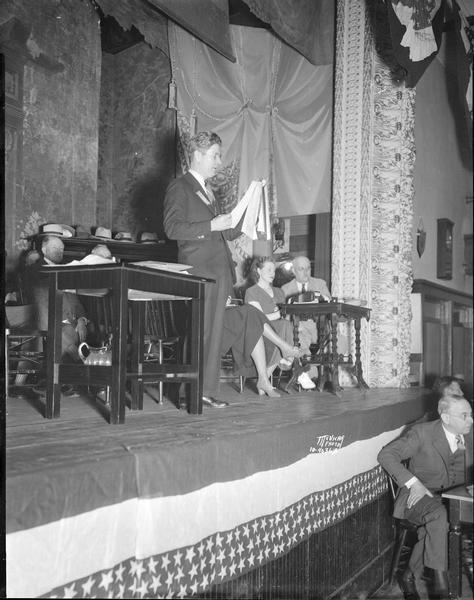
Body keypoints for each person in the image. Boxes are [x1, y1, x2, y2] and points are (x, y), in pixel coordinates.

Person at [164, 132, 300, 406]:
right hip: (199, 272)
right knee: (202, 332)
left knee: (212, 334)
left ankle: (204, 391)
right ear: (198, 155)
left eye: (219, 155)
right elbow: (172, 228)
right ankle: (189, 392)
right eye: (214, 155)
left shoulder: (207, 192)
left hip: (218, 273)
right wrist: (211, 226)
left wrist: (250, 204)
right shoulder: (181, 187)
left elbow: (225, 232)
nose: (218, 161)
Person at [378, 394, 473, 600]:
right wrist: (414, 483)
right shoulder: (422, 433)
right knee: (441, 516)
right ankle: (441, 591)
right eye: (464, 416)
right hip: (418, 497)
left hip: (457, 499)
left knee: (440, 521)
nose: (471, 420)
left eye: (471, 414)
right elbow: (386, 455)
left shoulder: (470, 434)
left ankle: (409, 575)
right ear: (446, 417)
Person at [24, 235, 90, 395]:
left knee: (72, 331)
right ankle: (84, 370)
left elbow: (76, 299)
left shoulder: (67, 269)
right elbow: (40, 299)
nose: (60, 252)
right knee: (63, 332)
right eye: (55, 248)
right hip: (48, 319)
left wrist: (81, 319)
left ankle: (57, 381)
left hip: (73, 323)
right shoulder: (36, 270)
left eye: (61, 249)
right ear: (44, 250)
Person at [244, 256, 312, 389]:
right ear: (258, 271)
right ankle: (295, 367)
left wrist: (296, 325)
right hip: (261, 334)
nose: (272, 273)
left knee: (297, 331)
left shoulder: (279, 292)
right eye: (268, 270)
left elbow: (286, 317)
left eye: (274, 270)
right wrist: (279, 313)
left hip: (281, 331)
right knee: (286, 326)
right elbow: (259, 319)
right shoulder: (251, 292)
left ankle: (283, 364)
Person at [281, 255, 331, 355]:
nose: (306, 272)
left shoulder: (320, 284)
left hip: (319, 330)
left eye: (308, 268)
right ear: (294, 271)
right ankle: (306, 364)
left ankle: (309, 363)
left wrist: (322, 298)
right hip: (297, 331)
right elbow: (284, 317)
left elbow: (329, 305)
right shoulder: (285, 289)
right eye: (301, 269)